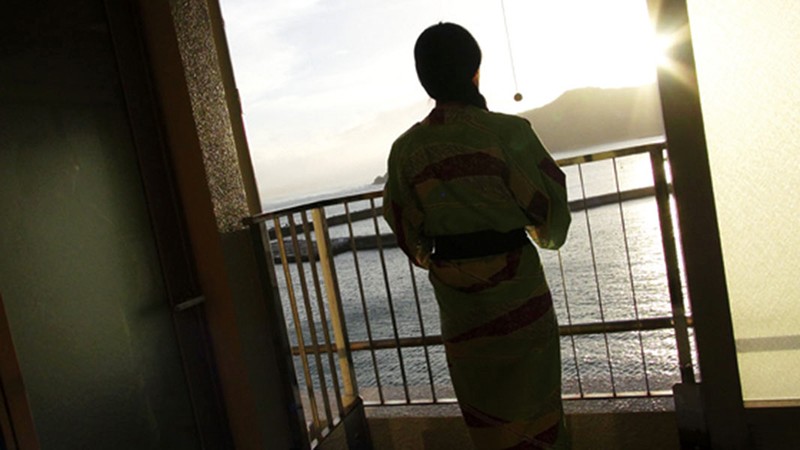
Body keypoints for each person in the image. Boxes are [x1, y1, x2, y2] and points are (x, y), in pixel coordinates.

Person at [382, 23, 572, 449]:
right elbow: (551, 217)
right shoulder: (508, 133)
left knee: (487, 418)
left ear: (425, 79)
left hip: (461, 307)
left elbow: (405, 226)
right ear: (475, 71)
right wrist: (536, 232)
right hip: (520, 295)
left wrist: (434, 253)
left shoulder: (406, 150)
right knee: (538, 409)